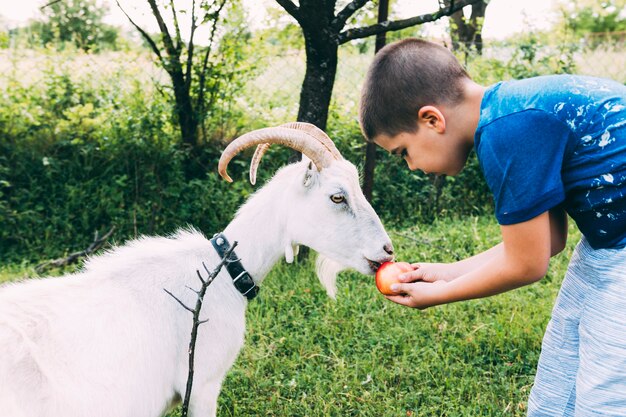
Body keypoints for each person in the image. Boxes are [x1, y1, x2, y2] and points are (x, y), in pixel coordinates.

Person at [359, 38, 626, 416]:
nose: (411, 166)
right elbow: (547, 241)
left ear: (432, 119)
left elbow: (527, 266)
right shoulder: (509, 114)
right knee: (567, 359)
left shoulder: (506, 133)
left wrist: (437, 296)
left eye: (403, 152)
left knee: (609, 388)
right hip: (609, 243)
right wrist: (441, 273)